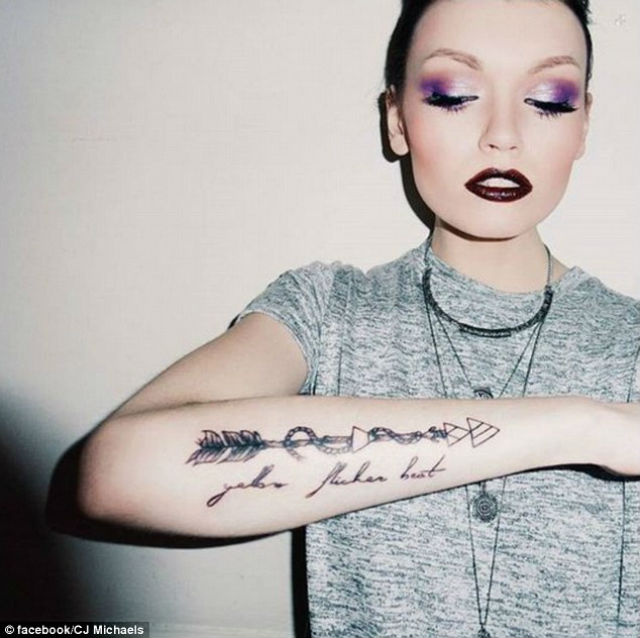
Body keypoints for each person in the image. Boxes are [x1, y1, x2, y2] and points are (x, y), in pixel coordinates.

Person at [77, 0, 640, 636]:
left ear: (584, 124)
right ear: (397, 120)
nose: (502, 134)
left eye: (548, 100)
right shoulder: (327, 311)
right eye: (455, 95)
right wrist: (585, 427)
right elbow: (114, 473)